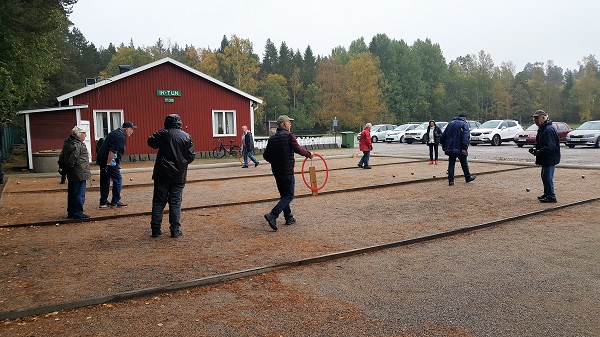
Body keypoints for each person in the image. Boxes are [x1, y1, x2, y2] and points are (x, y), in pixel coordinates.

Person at [147, 114, 195, 238]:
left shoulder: (163, 134)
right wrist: (181, 164)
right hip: (178, 175)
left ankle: (155, 229)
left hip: (162, 173)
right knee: (175, 202)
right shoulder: (186, 136)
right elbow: (191, 156)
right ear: (179, 122)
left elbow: (151, 142)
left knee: (158, 201)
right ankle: (175, 230)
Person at [262, 115, 313, 231]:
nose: (290, 124)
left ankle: (288, 217)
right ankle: (273, 215)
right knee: (289, 195)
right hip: (287, 170)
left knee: (284, 195)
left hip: (277, 171)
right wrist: (309, 154)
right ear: (284, 124)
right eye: (289, 122)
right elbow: (298, 149)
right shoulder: (289, 136)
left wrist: (276, 162)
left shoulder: (272, 138)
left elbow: (266, 156)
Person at [96, 121, 137, 208]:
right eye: (131, 129)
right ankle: (116, 201)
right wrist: (108, 164)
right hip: (110, 162)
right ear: (126, 129)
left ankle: (103, 202)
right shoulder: (120, 137)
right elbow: (112, 151)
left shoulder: (114, 132)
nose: (132, 131)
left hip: (102, 159)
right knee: (118, 179)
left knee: (104, 180)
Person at [58, 126, 92, 219]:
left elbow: (61, 156)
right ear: (78, 135)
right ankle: (77, 213)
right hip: (79, 172)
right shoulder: (78, 145)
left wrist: (64, 169)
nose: (85, 135)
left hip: (73, 173)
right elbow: (72, 160)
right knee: (79, 194)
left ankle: (72, 212)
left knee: (72, 193)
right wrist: (67, 168)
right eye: (84, 133)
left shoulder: (67, 143)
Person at [528, 110, 560, 203]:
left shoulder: (548, 129)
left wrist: (538, 151)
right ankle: (547, 193)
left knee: (547, 176)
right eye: (534, 118)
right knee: (544, 176)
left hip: (550, 157)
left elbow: (550, 146)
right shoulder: (543, 128)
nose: (535, 120)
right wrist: (534, 148)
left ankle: (551, 196)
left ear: (543, 118)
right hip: (547, 157)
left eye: (537, 118)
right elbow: (541, 143)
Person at [440, 113, 476, 186]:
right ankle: (468, 177)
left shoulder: (450, 123)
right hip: (460, 147)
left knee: (451, 164)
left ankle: (451, 181)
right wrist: (464, 147)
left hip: (450, 147)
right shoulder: (464, 124)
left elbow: (443, 136)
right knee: (464, 163)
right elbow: (466, 137)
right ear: (465, 118)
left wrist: (444, 146)